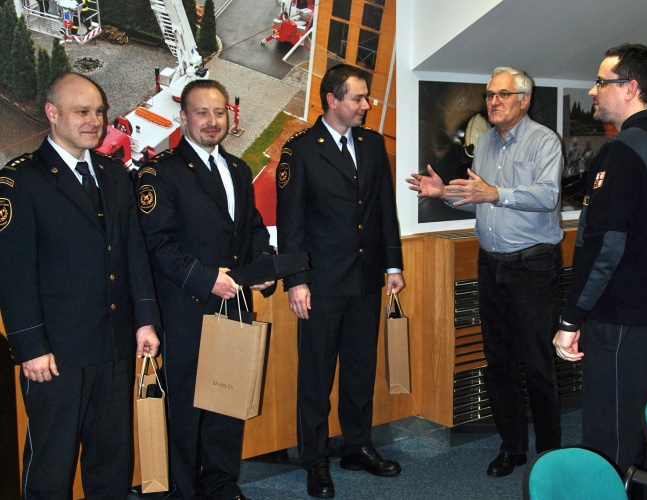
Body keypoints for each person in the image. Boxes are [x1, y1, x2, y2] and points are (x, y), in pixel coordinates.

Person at [0, 72, 161, 498]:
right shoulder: (21, 181)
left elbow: (133, 252)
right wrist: (30, 346)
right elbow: (13, 272)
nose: (95, 121)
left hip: (113, 343)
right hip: (56, 352)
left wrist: (145, 320)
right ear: (52, 114)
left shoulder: (113, 175)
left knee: (112, 459)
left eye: (99, 112)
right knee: (51, 464)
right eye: (82, 112)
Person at [407, 66, 564, 477]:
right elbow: (480, 198)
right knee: (499, 362)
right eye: (490, 94)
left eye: (502, 94)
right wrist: (445, 192)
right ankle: (512, 447)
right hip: (491, 264)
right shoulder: (488, 142)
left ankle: (552, 455)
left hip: (532, 266)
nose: (493, 101)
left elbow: (547, 196)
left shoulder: (543, 141)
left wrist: (494, 193)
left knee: (538, 364)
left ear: (524, 100)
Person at [135, 79, 275, 500]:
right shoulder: (159, 173)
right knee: (185, 409)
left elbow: (252, 229)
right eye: (202, 112)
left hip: (233, 306)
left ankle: (221, 484)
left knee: (226, 406)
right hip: (185, 309)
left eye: (219, 112)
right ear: (183, 118)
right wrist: (206, 278)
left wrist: (263, 267)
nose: (212, 121)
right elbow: (158, 244)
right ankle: (182, 491)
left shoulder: (238, 169)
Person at [276, 63, 405, 499]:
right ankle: (315, 460)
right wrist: (296, 280)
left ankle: (357, 446)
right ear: (332, 100)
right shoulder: (300, 150)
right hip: (321, 285)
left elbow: (384, 209)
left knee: (359, 370)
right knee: (315, 378)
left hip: (366, 280)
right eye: (358, 98)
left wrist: (393, 266)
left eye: (366, 97)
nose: (366, 105)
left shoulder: (371, 144)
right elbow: (290, 222)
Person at [554, 43, 647, 474]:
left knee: (613, 440)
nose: (593, 90)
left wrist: (571, 320)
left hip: (622, 321)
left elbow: (604, 246)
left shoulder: (623, 150)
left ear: (631, 88)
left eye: (602, 81)